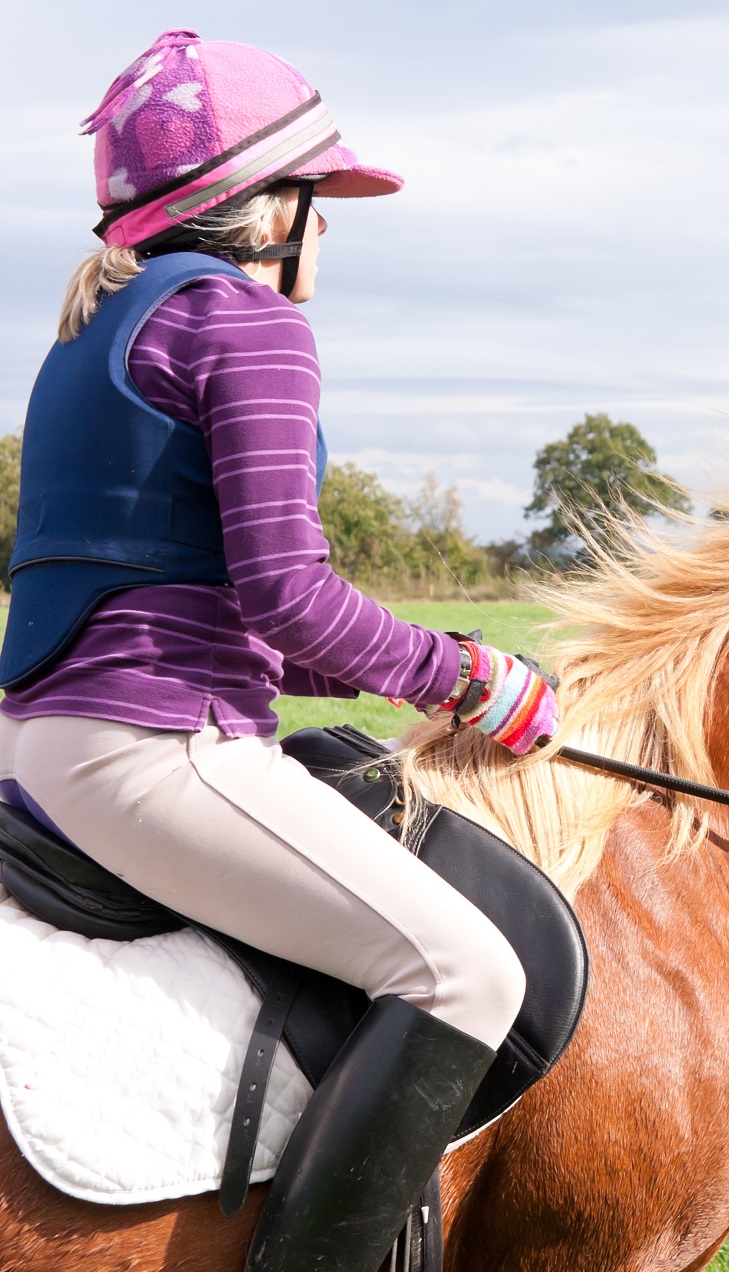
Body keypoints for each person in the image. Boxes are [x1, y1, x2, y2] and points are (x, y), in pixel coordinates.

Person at [0, 31, 557, 1271]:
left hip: (39, 745)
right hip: (153, 753)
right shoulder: (249, 325)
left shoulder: (84, 340)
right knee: (467, 975)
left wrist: (377, 668)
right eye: (321, 200)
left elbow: (198, 594)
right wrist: (474, 677)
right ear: (269, 209)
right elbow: (290, 591)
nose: (328, 232)